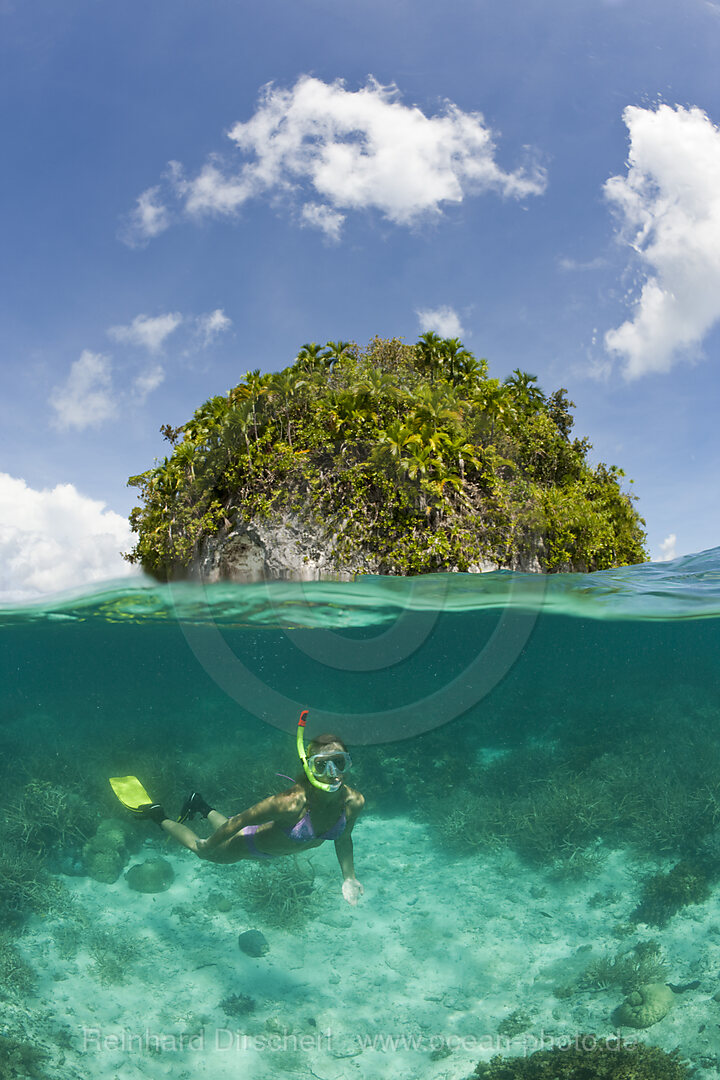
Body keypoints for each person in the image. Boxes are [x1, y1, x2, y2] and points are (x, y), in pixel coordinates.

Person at [111, 714, 364, 906]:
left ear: (348, 763)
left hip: (268, 851)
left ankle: (200, 805)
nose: (333, 774)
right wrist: (209, 844)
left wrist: (349, 877)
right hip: (246, 845)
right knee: (200, 851)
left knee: (225, 826)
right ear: (309, 767)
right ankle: (156, 814)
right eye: (322, 766)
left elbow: (343, 839)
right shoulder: (290, 803)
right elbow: (241, 822)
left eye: (339, 763)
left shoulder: (353, 802)